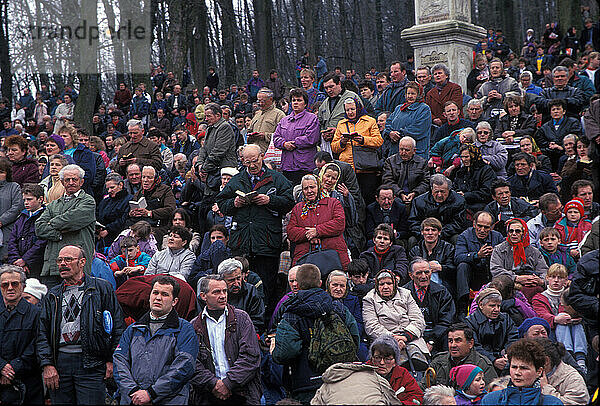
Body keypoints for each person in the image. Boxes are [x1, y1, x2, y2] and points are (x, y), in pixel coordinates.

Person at [37, 245, 125, 405]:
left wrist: (111, 360)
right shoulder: (52, 294)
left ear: (82, 262)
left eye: (68, 259)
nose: (62, 264)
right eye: (60, 260)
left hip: (92, 363)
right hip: (60, 364)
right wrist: (47, 364)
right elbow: (42, 332)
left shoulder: (101, 288)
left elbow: (117, 325)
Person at [216, 144, 294, 318]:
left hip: (266, 243)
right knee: (240, 287)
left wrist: (270, 200)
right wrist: (234, 203)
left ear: (262, 157)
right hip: (242, 243)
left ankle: (265, 324)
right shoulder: (237, 180)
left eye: (255, 161)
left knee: (266, 286)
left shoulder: (276, 178)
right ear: (242, 161)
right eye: (247, 162)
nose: (252, 165)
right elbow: (221, 202)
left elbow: (289, 202)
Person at [272, 264, 359, 403]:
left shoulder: (292, 313)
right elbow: (355, 338)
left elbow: (285, 352)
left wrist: (274, 351)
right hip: (340, 378)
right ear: (320, 283)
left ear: (298, 285)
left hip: (305, 383)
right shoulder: (338, 307)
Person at [113, 275, 199, 405]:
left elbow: (184, 367)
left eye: (165, 294)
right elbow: (119, 362)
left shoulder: (184, 329)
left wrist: (151, 393)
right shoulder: (133, 329)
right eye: (155, 293)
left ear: (174, 301)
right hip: (133, 399)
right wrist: (134, 391)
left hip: (170, 400)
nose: (158, 298)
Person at [191, 275, 262, 404]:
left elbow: (251, 355)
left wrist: (228, 383)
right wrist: (214, 384)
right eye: (216, 292)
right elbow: (192, 362)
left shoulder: (241, 318)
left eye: (224, 291)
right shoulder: (195, 326)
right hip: (209, 395)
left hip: (242, 393)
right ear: (203, 296)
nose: (223, 296)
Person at [35, 164, 95, 288]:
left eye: (75, 179)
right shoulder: (53, 204)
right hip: (52, 264)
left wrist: (51, 223)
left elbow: (72, 220)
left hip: (76, 267)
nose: (71, 182)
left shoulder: (88, 201)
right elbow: (39, 227)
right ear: (62, 182)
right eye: (67, 180)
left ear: (82, 181)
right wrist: (59, 234)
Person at [363, 269, 430, 368]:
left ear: (395, 284)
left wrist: (405, 337)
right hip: (384, 340)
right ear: (377, 286)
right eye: (382, 284)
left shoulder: (406, 294)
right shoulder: (369, 299)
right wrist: (394, 340)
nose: (385, 287)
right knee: (395, 361)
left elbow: (418, 319)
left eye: (389, 283)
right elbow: (371, 326)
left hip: (410, 338)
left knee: (418, 359)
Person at [287, 174, 350, 270]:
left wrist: (318, 231)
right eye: (305, 188)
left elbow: (339, 223)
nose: (309, 191)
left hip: (333, 256)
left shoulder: (333, 203)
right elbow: (291, 231)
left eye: (312, 187)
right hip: (305, 258)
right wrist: (308, 234)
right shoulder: (298, 208)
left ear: (319, 186)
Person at [0, 265, 43, 404]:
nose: (10, 288)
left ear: (23, 286)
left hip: (29, 384)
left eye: (15, 284)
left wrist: (13, 368)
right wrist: (1, 367)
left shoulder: (36, 313)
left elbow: (38, 344)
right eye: (5, 285)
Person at [331, 97, 384, 205]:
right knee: (350, 200)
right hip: (347, 169)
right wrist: (342, 142)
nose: (350, 112)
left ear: (358, 108)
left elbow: (379, 141)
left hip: (366, 169)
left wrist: (363, 140)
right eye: (347, 110)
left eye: (352, 109)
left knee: (367, 199)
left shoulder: (370, 121)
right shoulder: (341, 124)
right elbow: (334, 147)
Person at [480, 338, 562, 405]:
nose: (517, 373)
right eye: (514, 367)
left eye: (524, 368)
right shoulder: (490, 400)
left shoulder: (552, 403)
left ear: (539, 371)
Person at [455, 211, 504, 315]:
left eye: (486, 227)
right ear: (474, 224)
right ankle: (463, 307)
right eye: (479, 226)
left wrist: (494, 253)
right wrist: (477, 255)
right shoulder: (464, 236)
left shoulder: (497, 237)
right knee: (462, 266)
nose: (482, 230)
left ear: (492, 227)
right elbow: (458, 258)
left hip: (491, 273)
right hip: (473, 275)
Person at [402, 257, 455, 352]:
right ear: (411, 275)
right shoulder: (403, 293)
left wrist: (432, 340)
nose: (424, 276)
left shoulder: (442, 292)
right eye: (419, 273)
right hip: (412, 334)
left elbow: (446, 320)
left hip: (437, 335)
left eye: (427, 272)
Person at [272, 87, 320, 184]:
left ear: (305, 103)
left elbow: (311, 138)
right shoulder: (284, 120)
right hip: (287, 166)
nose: (296, 102)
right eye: (294, 100)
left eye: (299, 100)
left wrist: (294, 143)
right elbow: (276, 138)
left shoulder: (312, 118)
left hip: (305, 166)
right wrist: (284, 144)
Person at [490, 218, 547, 299]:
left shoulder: (534, 251)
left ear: (524, 233)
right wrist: (516, 278)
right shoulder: (499, 249)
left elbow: (543, 270)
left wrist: (540, 281)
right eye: (511, 231)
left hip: (529, 282)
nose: (514, 234)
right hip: (508, 282)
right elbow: (496, 270)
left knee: (537, 290)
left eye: (517, 231)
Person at [426, 323, 498, 388]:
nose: (453, 345)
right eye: (450, 341)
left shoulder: (483, 365)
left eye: (458, 341)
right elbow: (424, 387)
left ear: (470, 343)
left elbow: (490, 394)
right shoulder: (438, 361)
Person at [465, 288, 519, 373]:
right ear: (481, 305)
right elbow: (474, 346)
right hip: (480, 363)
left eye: (499, 306)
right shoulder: (470, 322)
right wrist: (493, 360)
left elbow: (513, 338)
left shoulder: (506, 319)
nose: (497, 309)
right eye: (492, 306)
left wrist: (508, 354)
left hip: (505, 360)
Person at [362, 335, 425, 404]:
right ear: (372, 358)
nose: (382, 363)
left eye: (387, 359)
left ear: (395, 361)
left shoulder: (402, 374)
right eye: (377, 358)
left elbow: (417, 397)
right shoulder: (363, 372)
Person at [408, 174, 468, 244]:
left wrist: (438, 233)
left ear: (449, 190)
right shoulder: (418, 201)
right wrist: (426, 233)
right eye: (436, 191)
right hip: (425, 235)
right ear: (431, 190)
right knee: (412, 240)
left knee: (457, 239)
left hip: (447, 235)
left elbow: (458, 224)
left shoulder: (459, 201)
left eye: (443, 192)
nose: (439, 195)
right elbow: (413, 223)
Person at [196, 103, 238, 194]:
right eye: (205, 116)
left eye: (208, 116)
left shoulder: (224, 127)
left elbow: (218, 152)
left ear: (218, 115)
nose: (206, 119)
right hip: (211, 172)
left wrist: (204, 169)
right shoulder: (209, 128)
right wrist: (199, 165)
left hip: (223, 172)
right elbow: (203, 149)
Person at [214, 258, 265, 334]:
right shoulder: (213, 293)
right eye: (231, 280)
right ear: (222, 280)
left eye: (238, 278)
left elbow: (258, 321)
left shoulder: (251, 292)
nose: (236, 284)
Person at [128, 165, 176, 244]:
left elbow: (171, 209)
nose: (145, 180)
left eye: (149, 177)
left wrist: (149, 213)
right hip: (139, 225)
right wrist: (132, 213)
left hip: (158, 227)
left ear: (155, 179)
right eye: (143, 177)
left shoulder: (166, 190)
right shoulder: (139, 193)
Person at [384, 81, 432, 159]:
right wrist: (390, 133)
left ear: (419, 95)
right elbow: (389, 122)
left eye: (413, 94)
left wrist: (398, 135)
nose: (409, 96)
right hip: (396, 151)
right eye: (408, 93)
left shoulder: (424, 109)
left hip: (416, 153)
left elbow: (418, 129)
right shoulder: (399, 108)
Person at [6, 184, 46, 278]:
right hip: (18, 265)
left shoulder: (45, 216)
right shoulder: (21, 217)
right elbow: (12, 240)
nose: (26, 203)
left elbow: (42, 242)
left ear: (40, 199)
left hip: (37, 265)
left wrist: (25, 260)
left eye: (29, 199)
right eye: (24, 200)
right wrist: (16, 260)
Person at [409, 217, 456, 293]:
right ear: (422, 232)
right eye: (427, 230)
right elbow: (412, 271)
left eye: (433, 230)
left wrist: (441, 268)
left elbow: (453, 269)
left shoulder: (448, 248)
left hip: (443, 285)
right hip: (420, 283)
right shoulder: (415, 250)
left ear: (439, 232)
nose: (430, 233)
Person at [536, 338, 589, 405]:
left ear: (546, 361)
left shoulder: (573, 379)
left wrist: (546, 388)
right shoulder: (527, 375)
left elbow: (575, 403)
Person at [381, 136, 431, 205]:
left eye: (407, 150)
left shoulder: (422, 162)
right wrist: (400, 193)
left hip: (417, 195)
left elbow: (426, 182)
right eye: (401, 149)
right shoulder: (390, 161)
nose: (403, 153)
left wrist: (414, 193)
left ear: (414, 151)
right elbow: (387, 180)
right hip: (395, 195)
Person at [318, 73, 360, 154]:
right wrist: (324, 133)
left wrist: (338, 131)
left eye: (331, 86)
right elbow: (320, 123)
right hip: (330, 146)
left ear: (339, 84)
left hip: (349, 146)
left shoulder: (352, 97)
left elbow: (361, 121)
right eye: (326, 88)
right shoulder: (324, 104)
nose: (329, 90)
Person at [535, 99, 583, 170]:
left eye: (558, 109)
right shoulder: (544, 127)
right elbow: (540, 141)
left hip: (568, 154)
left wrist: (561, 147)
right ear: (550, 112)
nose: (556, 111)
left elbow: (576, 137)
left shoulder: (573, 122)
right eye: (553, 109)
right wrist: (550, 145)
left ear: (564, 111)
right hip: (551, 155)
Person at [450, 144, 497, 213]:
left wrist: (466, 195)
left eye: (466, 157)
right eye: (462, 157)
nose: (463, 159)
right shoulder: (461, 171)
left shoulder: (486, 170)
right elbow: (455, 186)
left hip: (480, 206)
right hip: (462, 204)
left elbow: (486, 192)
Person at [96, 173, 132, 251]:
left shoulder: (129, 200)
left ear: (121, 185)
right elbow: (98, 215)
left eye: (112, 187)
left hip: (118, 237)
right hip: (102, 237)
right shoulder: (105, 201)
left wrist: (108, 230)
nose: (109, 191)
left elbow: (124, 219)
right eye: (108, 189)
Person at [247, 88, 285, 153]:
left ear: (270, 99)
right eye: (259, 101)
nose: (260, 104)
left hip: (270, 155)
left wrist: (265, 136)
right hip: (255, 154)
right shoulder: (257, 115)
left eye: (263, 101)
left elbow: (284, 136)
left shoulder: (279, 115)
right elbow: (249, 131)